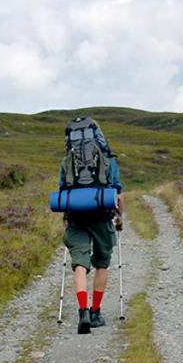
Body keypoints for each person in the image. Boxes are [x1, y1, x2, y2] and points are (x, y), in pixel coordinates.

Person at [59, 118, 124, 335]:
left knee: (80, 264)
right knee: (102, 264)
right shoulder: (108, 160)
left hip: (76, 218)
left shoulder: (67, 160)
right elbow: (119, 195)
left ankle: (82, 311)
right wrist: (120, 218)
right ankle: (96, 312)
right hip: (102, 217)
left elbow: (62, 191)